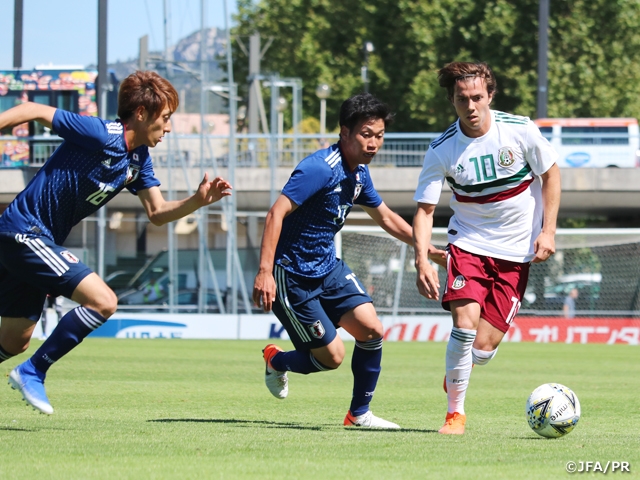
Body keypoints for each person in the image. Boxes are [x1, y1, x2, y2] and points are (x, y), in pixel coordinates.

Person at [0, 70, 232, 414]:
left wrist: (197, 201)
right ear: (141, 114)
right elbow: (33, 109)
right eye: (165, 118)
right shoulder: (101, 134)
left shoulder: (138, 159)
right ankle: (34, 371)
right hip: (23, 231)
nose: (168, 128)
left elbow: (157, 211)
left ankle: (27, 363)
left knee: (14, 340)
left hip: (35, 241)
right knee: (104, 301)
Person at [252, 93, 445, 429]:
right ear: (345, 132)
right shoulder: (318, 169)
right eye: (366, 134)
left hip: (328, 268)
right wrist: (265, 271)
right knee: (332, 358)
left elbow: (386, 218)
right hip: (293, 276)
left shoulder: (359, 174)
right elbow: (275, 213)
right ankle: (277, 360)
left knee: (372, 329)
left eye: (380, 135)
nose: (374, 143)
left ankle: (358, 414)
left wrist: (426, 249)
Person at [412, 62, 561, 435]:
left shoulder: (520, 129)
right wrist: (421, 262)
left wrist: (549, 231)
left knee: (483, 350)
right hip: (468, 244)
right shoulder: (442, 149)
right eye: (462, 99)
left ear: (490, 96)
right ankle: (455, 414)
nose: (471, 106)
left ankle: (457, 373)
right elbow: (425, 210)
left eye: (478, 97)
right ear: (452, 100)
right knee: (463, 326)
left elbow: (551, 173)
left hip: (517, 251)